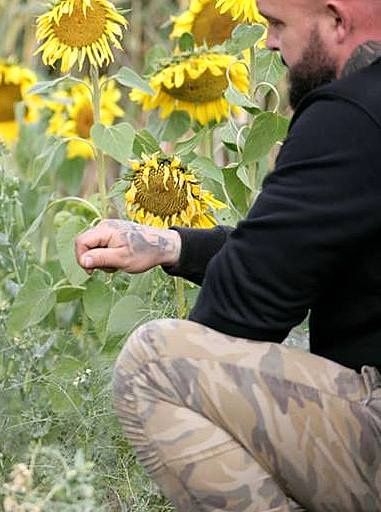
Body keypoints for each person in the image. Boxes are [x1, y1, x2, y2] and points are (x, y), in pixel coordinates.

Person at [73, 0, 381, 509]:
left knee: (157, 365)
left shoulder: (351, 114)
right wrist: (175, 244)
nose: (268, 43)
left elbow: (244, 310)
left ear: (336, 19)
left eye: (278, 24)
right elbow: (311, 251)